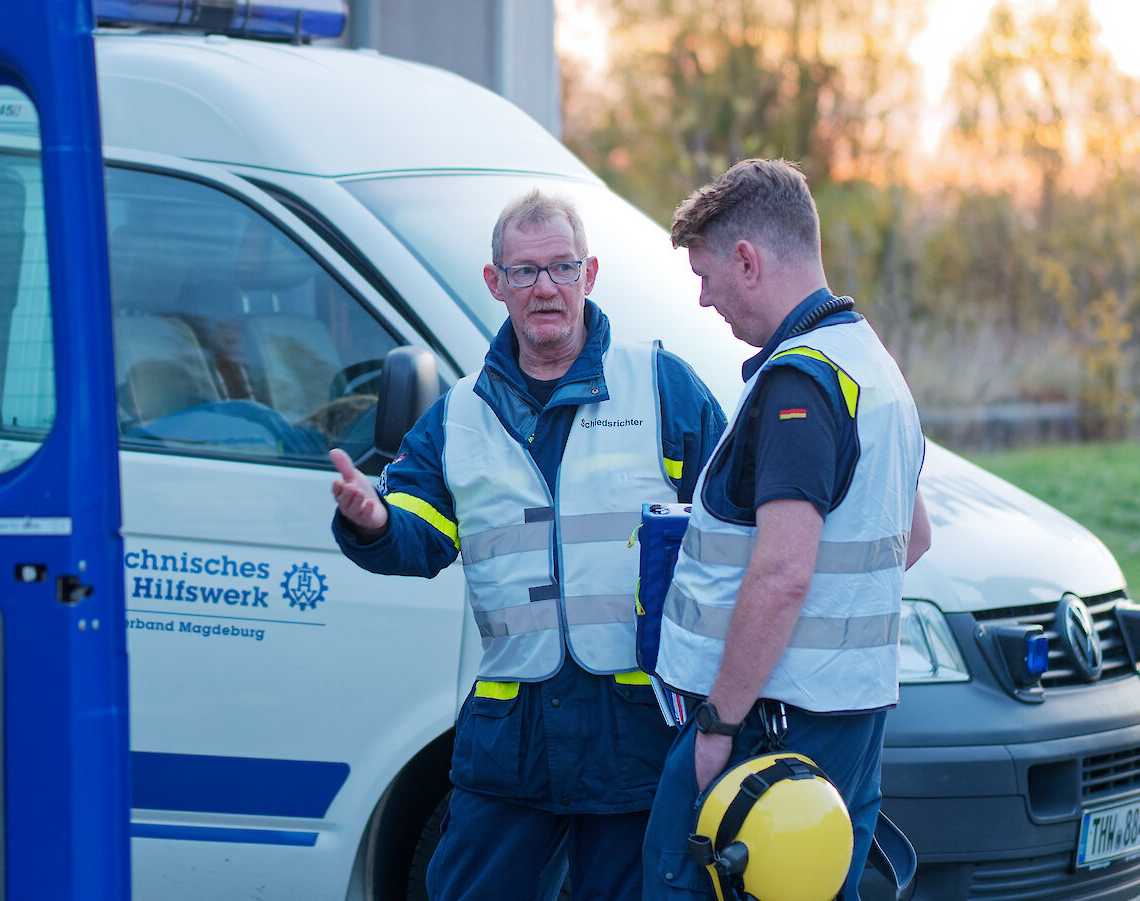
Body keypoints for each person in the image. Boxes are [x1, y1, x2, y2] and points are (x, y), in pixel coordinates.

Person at [329, 188, 727, 901]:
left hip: (632, 731)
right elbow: (417, 534)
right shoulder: (459, 415)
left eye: (561, 267)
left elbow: (736, 524)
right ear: (496, 283)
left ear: (589, 274)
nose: (545, 287)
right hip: (512, 738)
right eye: (524, 271)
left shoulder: (663, 388)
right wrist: (374, 522)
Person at [641, 159, 931, 901]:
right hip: (844, 726)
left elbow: (783, 574)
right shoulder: (871, 365)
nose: (704, 300)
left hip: (767, 723)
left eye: (706, 276)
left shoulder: (799, 382)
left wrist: (719, 722)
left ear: (748, 259)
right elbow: (913, 535)